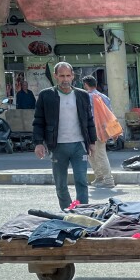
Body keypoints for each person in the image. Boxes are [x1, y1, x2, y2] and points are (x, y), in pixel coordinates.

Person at [33, 62, 97, 210]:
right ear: (56, 76)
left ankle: (82, 212)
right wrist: (38, 143)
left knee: (81, 180)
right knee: (61, 184)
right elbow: (38, 121)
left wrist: (92, 142)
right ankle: (66, 211)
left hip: (79, 146)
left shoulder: (82, 95)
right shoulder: (46, 95)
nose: (65, 79)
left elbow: (89, 120)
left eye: (68, 75)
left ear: (73, 76)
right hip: (57, 146)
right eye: (61, 76)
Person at [81, 75, 115, 189]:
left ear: (86, 85)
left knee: (97, 154)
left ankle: (108, 179)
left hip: (93, 130)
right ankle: (99, 177)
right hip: (103, 129)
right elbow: (110, 114)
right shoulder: (104, 97)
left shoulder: (87, 97)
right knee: (95, 154)